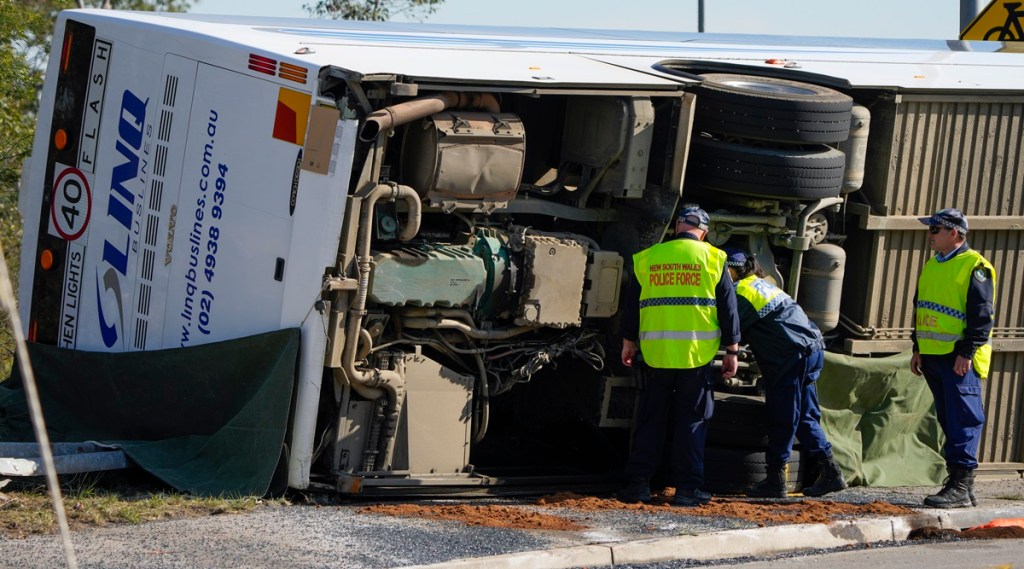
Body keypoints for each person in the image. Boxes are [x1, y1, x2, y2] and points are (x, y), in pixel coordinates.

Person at [618, 206, 740, 507]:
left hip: (656, 354)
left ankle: (638, 486)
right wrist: (732, 351)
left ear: (676, 227)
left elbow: (632, 306)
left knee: (650, 420)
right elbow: (728, 308)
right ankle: (688, 490)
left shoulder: (649, 258)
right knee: (692, 422)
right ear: (704, 232)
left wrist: (628, 343)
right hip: (695, 356)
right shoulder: (713, 258)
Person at [723, 248, 847, 498]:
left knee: (783, 415)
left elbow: (728, 332)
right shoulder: (763, 284)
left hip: (789, 356)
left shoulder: (740, 293)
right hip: (812, 350)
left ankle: (775, 479)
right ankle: (830, 471)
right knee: (806, 414)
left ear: (731, 272)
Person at [911, 208, 996, 508]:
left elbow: (982, 316)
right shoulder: (933, 265)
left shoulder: (975, 266)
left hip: (958, 358)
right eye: (930, 229)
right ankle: (959, 483)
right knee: (949, 419)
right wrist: (917, 347)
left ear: (955, 234)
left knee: (964, 419)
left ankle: (961, 484)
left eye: (935, 230)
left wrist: (967, 352)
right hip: (933, 355)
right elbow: (920, 308)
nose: (930, 235)